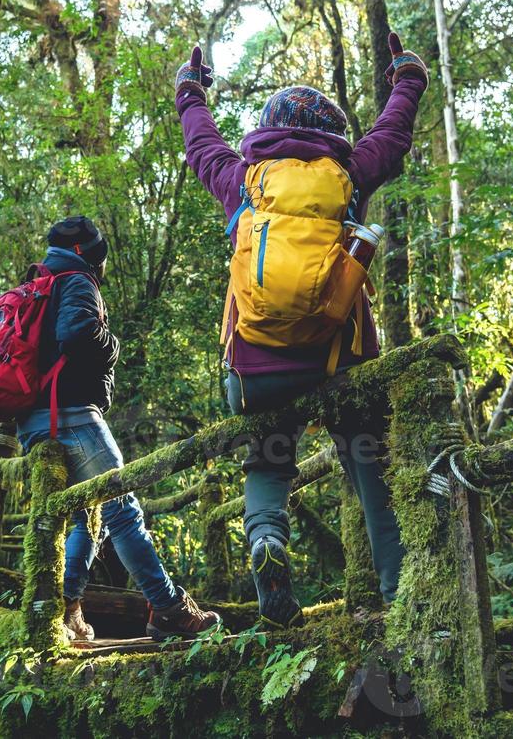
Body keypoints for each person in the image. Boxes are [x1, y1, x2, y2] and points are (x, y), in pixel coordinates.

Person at [174, 35, 428, 627]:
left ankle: (267, 542)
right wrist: (408, 76)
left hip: (258, 370)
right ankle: (401, 599)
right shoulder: (351, 176)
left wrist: (191, 90)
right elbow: (394, 134)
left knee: (267, 462)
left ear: (267, 127)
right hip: (339, 362)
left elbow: (199, 141)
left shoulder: (243, 180)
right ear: (333, 132)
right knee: (370, 464)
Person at [14, 215, 222, 643]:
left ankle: (67, 609)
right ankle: (167, 609)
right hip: (70, 416)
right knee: (123, 511)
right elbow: (78, 333)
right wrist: (113, 346)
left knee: (90, 517)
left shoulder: (40, 283)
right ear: (80, 251)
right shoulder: (74, 280)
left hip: (37, 418)